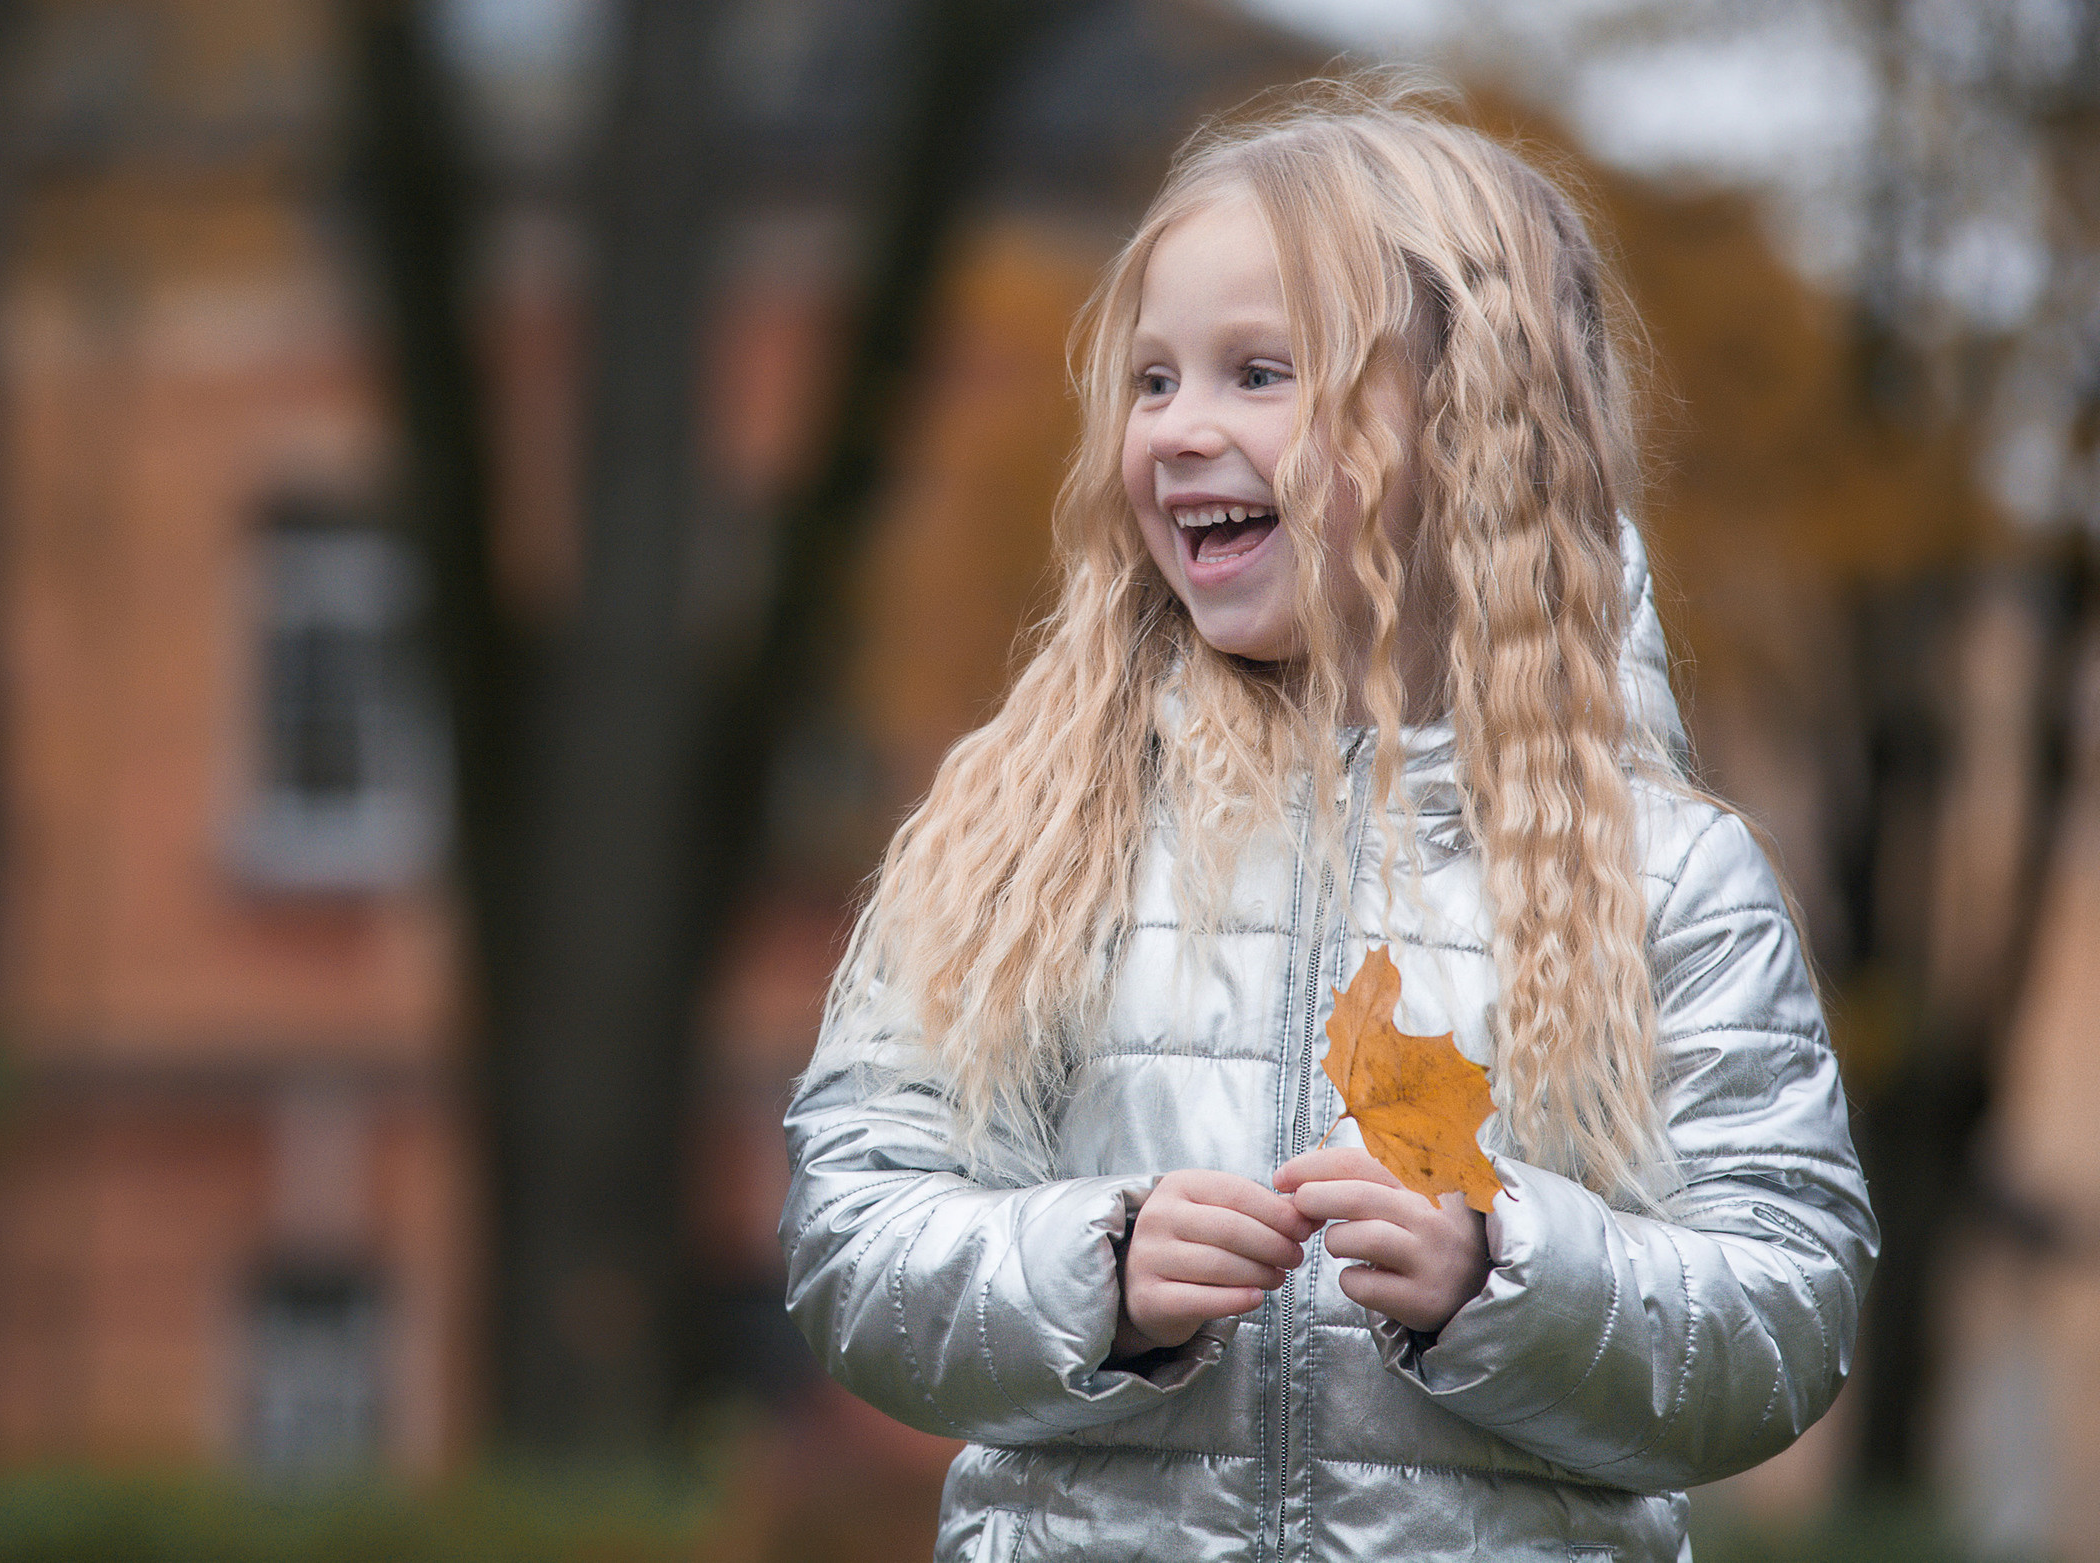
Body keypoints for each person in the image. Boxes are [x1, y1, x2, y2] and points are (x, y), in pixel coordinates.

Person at [779, 84, 1876, 1563]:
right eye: (1153, 381)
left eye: (1259, 372)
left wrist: (1505, 1272)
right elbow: (852, 1236)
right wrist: (1088, 1268)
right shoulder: (1034, 829)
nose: (1178, 431)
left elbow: (1787, 1311)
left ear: (1469, 425)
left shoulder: (1659, 873)